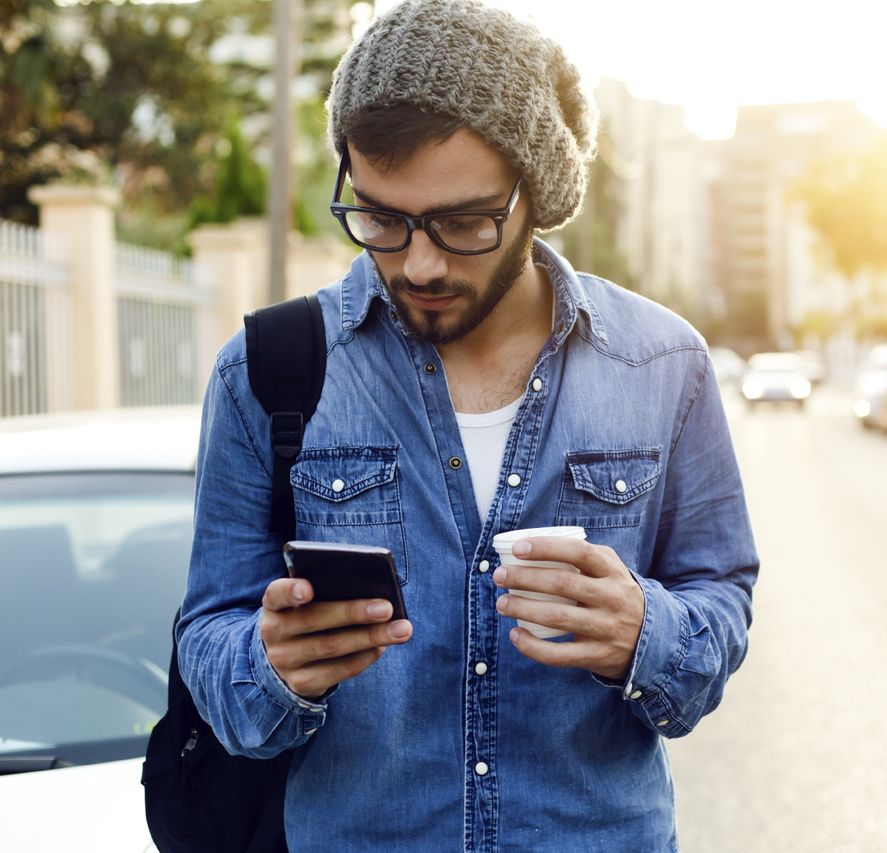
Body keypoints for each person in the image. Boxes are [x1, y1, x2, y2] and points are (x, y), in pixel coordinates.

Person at [177, 0, 758, 850]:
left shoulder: (663, 365)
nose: (419, 262)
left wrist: (647, 634)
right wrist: (266, 668)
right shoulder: (263, 373)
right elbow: (209, 635)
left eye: (461, 223)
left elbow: (722, 596)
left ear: (537, 194)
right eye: (380, 217)